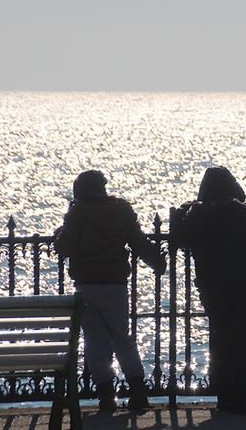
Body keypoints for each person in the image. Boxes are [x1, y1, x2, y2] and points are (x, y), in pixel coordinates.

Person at [171, 166, 246, 414]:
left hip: (215, 285)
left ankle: (225, 396)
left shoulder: (198, 214)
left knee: (221, 339)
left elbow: (179, 238)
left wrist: (185, 209)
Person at [54, 170, 166, 413]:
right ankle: (138, 391)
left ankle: (106, 395)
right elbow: (138, 241)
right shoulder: (121, 210)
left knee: (95, 339)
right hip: (115, 282)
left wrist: (60, 235)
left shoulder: (77, 212)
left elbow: (65, 247)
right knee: (121, 337)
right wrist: (157, 262)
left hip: (86, 283)